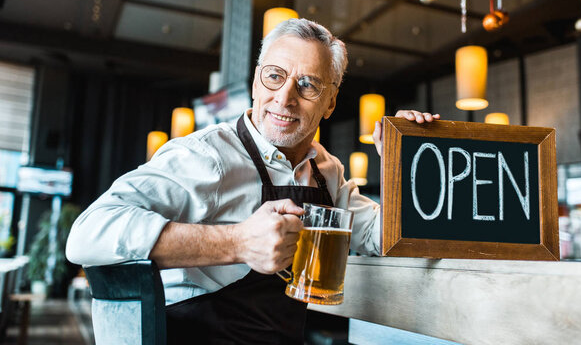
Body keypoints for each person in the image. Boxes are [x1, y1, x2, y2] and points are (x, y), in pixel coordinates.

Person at [66, 18, 439, 344]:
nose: (285, 98)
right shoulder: (206, 156)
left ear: (330, 103)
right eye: (275, 76)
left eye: (308, 84)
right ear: (256, 82)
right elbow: (87, 234)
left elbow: (384, 238)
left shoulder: (327, 169)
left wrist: (408, 163)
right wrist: (238, 241)